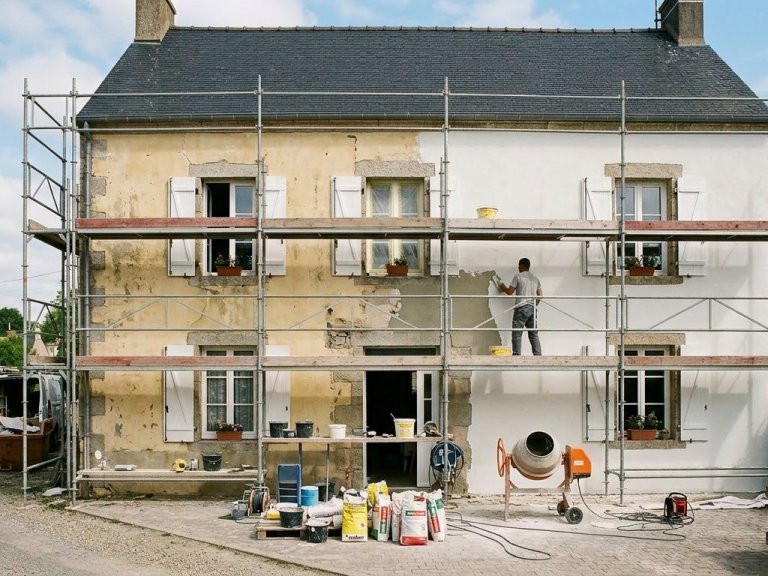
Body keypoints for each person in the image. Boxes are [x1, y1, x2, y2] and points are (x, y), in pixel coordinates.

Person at [498, 258, 542, 355]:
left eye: (519, 265)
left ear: (522, 265)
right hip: (532, 309)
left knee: (517, 333)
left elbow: (510, 292)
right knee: (533, 333)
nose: (518, 267)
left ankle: (517, 355)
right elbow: (540, 295)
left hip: (521, 307)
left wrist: (502, 287)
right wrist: (534, 304)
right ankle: (538, 355)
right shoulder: (535, 278)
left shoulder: (518, 276)